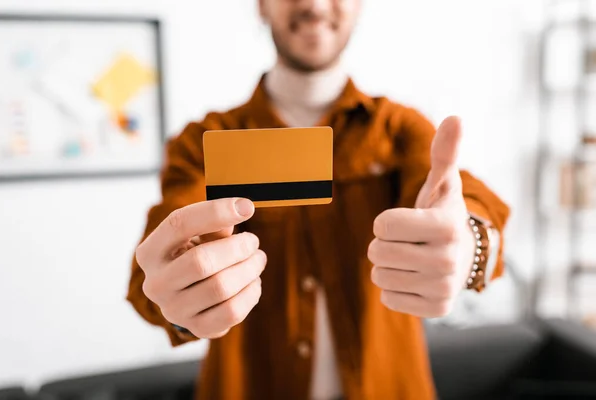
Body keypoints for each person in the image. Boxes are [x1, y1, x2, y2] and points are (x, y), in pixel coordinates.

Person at [127, 0, 510, 399]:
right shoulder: (200, 144)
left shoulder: (400, 130)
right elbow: (150, 276)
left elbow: (459, 199)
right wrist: (179, 296)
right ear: (261, 6)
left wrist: (470, 245)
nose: (312, 3)